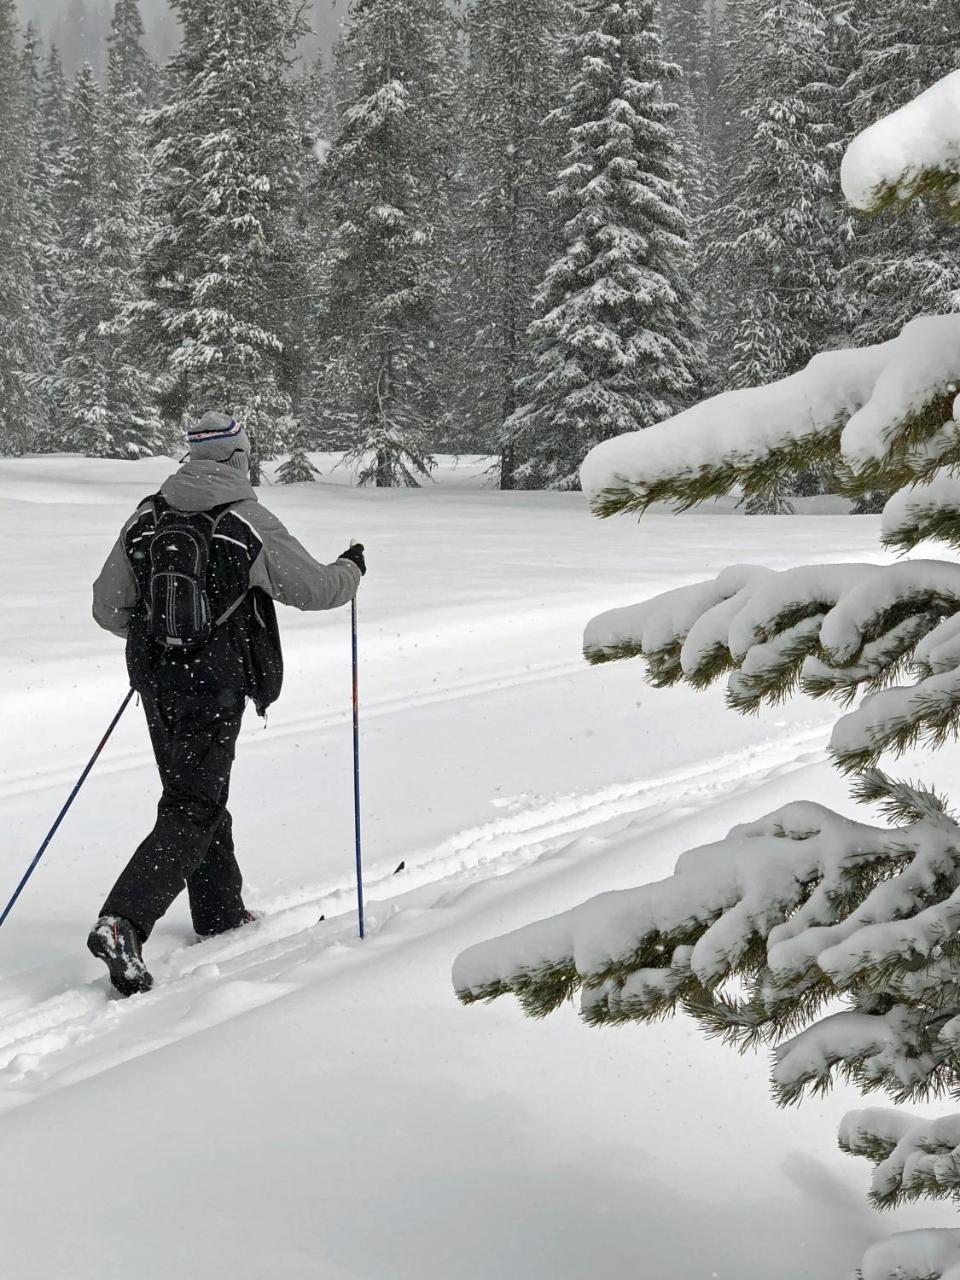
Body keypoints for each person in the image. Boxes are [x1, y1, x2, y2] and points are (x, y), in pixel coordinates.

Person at [88, 411, 365, 996]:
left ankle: (219, 913)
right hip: (215, 683)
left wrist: (165, 639)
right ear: (238, 457)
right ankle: (123, 921)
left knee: (195, 794)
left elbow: (108, 608)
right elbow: (315, 590)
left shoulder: (145, 517)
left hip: (158, 684)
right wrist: (352, 569)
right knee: (194, 802)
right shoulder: (245, 519)